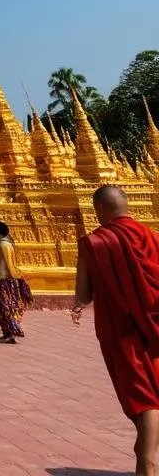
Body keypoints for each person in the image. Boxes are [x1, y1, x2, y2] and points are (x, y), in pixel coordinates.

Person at [72, 185, 159, 476]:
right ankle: (143, 451)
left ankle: (146, 465)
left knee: (144, 397)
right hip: (155, 330)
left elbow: (83, 294)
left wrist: (78, 301)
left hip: (122, 332)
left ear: (99, 210)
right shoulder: (154, 238)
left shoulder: (94, 243)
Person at [0, 221, 32, 344]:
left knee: (2, 306)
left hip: (3, 278)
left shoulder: (3, 244)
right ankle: (12, 330)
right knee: (6, 306)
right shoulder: (8, 244)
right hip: (5, 277)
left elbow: (8, 263)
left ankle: (9, 333)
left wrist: (16, 276)